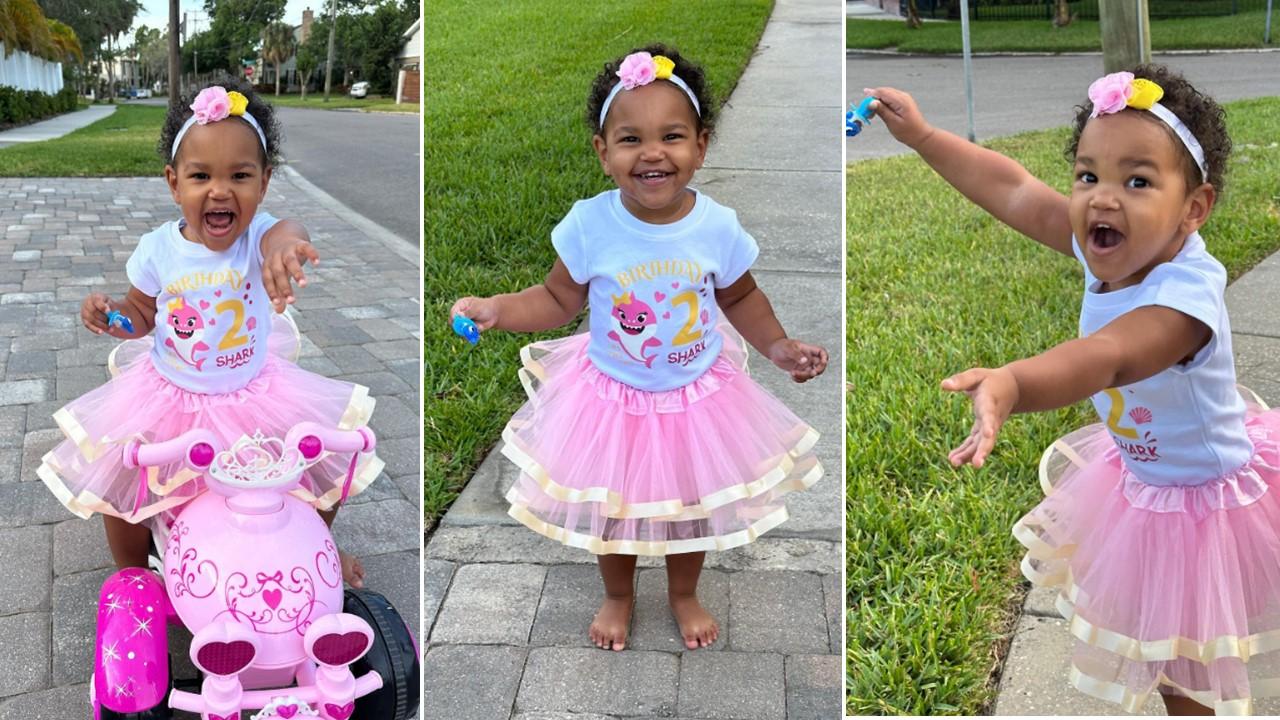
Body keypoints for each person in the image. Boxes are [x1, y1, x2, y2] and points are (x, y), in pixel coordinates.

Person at [870, 65, 1278, 714]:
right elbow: (1013, 191)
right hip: (1145, 483)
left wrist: (1013, 381)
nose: (1102, 198)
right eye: (1088, 175)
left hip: (1207, 506)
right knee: (1166, 651)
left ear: (1193, 209)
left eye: (1137, 181)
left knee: (1197, 664)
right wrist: (923, 137)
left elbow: (1106, 358)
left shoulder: (1183, 301)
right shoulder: (1113, 247)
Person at [451, 45, 828, 652]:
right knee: (617, 510)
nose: (652, 153)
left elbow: (741, 297)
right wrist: (497, 309)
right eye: (630, 139)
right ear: (604, 153)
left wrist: (778, 345)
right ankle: (619, 594)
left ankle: (684, 593)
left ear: (701, 146)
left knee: (693, 505)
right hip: (614, 398)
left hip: (697, 396)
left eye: (672, 136)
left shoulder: (717, 225)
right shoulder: (589, 224)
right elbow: (555, 298)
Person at [39, 82, 382, 588]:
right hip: (171, 395)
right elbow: (141, 313)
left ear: (263, 184)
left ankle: (318, 546)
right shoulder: (158, 249)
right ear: (174, 183)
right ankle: (135, 580)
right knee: (125, 480)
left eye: (239, 176)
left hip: (252, 394)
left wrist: (285, 250)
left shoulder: (259, 237)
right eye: (201, 176)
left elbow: (289, 228)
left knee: (315, 469)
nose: (220, 190)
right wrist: (113, 316)